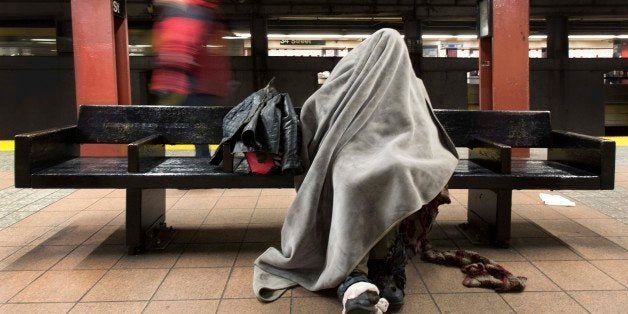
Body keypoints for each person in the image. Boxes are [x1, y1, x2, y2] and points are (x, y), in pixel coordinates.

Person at [252, 29, 459, 313]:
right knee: (352, 179)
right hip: (348, 152)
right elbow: (315, 110)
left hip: (397, 152)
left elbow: (424, 130)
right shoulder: (350, 78)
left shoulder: (411, 84)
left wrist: (410, 154)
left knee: (395, 175)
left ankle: (383, 264)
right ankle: (352, 270)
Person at [150, 0, 231, 157]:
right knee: (202, 131)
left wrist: (169, 80)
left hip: (189, 83)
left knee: (167, 125)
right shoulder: (205, 11)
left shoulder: (187, 12)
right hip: (207, 84)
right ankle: (210, 167)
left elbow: (180, 45)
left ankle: (204, 169)